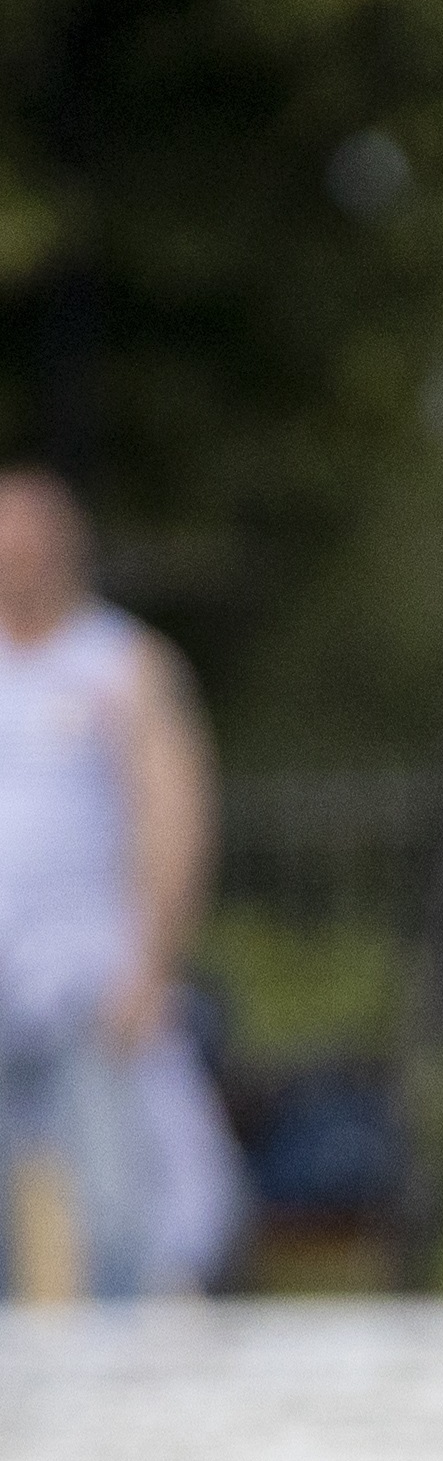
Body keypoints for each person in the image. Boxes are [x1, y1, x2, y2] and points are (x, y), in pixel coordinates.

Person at [0, 470, 214, 1303]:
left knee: (114, 1207)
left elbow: (172, 815)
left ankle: (118, 1393)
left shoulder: (122, 663)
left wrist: (153, 965)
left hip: (88, 972)